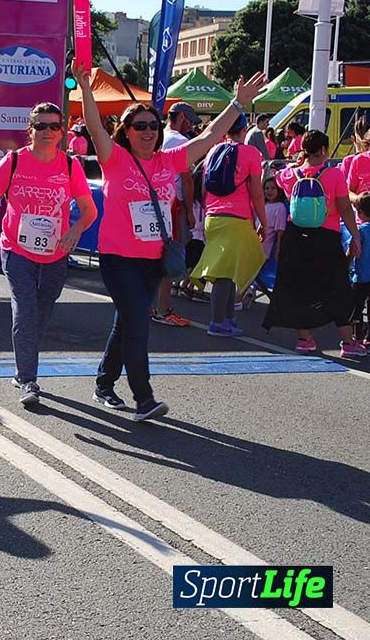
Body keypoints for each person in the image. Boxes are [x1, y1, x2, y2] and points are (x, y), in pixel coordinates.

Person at [74, 57, 265, 421]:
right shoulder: (114, 159)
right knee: (137, 323)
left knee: (127, 321)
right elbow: (96, 126)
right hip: (118, 258)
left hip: (154, 259)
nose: (148, 131)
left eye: (153, 125)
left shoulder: (169, 161)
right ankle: (143, 398)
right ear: (126, 131)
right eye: (140, 125)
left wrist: (238, 103)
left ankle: (103, 383)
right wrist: (84, 87)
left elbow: (209, 138)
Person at [0, 102, 97, 406]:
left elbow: (89, 211)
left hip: (55, 254)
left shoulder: (71, 166)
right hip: (16, 249)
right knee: (26, 310)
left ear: (62, 131)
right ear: (30, 130)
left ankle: (23, 365)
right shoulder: (13, 162)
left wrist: (74, 231)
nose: (47, 131)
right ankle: (28, 379)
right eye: (41, 126)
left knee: (41, 314)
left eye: (54, 126)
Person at [265, 130, 364, 358]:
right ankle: (348, 343)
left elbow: (275, 176)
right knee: (337, 287)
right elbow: (345, 208)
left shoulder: (292, 174)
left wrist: (297, 162)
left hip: (295, 237)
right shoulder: (333, 175)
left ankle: (305, 339)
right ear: (323, 150)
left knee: (297, 287)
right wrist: (355, 236)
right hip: (325, 237)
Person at [189, 113, 267, 336]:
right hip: (238, 218)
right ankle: (218, 322)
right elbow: (257, 194)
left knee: (230, 270)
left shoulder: (214, 150)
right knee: (226, 273)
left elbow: (204, 189)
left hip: (213, 218)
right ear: (244, 129)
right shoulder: (252, 153)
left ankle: (229, 318)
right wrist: (264, 221)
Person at [151, 102, 199, 328]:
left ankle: (151, 306)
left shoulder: (156, 137)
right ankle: (162, 309)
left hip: (150, 203)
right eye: (189, 121)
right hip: (172, 204)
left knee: (150, 256)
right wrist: (190, 210)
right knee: (170, 256)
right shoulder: (181, 142)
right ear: (180, 117)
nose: (191, 127)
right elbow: (187, 179)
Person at [349, 194, 370, 345]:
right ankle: (368, 338)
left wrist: (345, 263)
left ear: (360, 213)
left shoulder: (360, 231)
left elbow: (352, 250)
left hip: (361, 276)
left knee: (356, 307)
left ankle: (357, 336)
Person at [260, 177, 288, 261]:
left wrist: (278, 249)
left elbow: (280, 231)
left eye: (273, 188)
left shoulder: (280, 207)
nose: (269, 191)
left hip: (264, 248)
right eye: (267, 188)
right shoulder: (264, 205)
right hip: (255, 244)